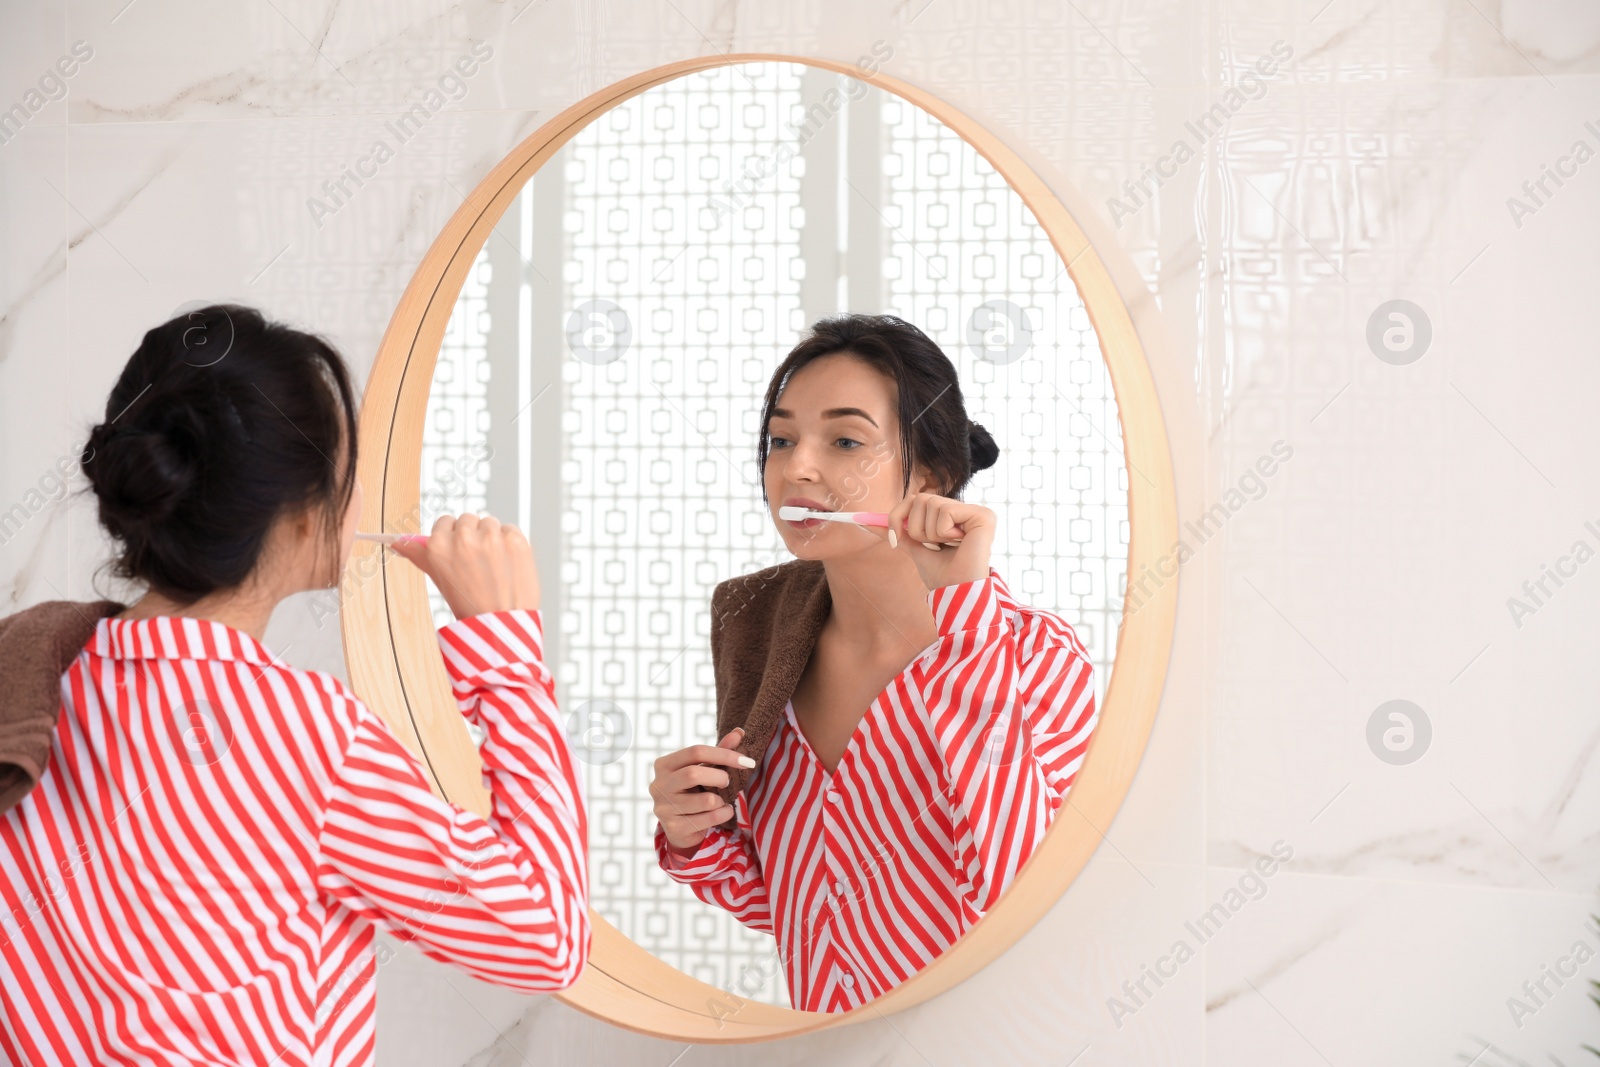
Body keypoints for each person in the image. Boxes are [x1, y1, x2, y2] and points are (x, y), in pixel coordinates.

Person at [0, 305, 589, 1065]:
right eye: (349, 471)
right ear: (304, 516)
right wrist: (505, 648)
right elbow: (547, 937)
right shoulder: (308, 736)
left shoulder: (35, 677)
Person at [648, 314, 1099, 1013]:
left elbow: (1021, 899)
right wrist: (694, 834)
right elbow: (797, 906)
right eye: (781, 439)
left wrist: (965, 623)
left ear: (936, 474)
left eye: (846, 440)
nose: (796, 466)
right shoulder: (762, 640)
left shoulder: (1032, 658)